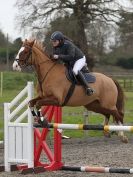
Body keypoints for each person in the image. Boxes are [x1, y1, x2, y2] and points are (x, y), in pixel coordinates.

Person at [50, 31, 94, 96]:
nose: (53, 43)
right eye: (52, 41)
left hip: (79, 59)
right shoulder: (55, 46)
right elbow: (55, 57)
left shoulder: (68, 44)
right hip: (70, 61)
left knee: (75, 71)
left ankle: (88, 88)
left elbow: (71, 56)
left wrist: (58, 56)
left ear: (60, 40)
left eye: (55, 41)